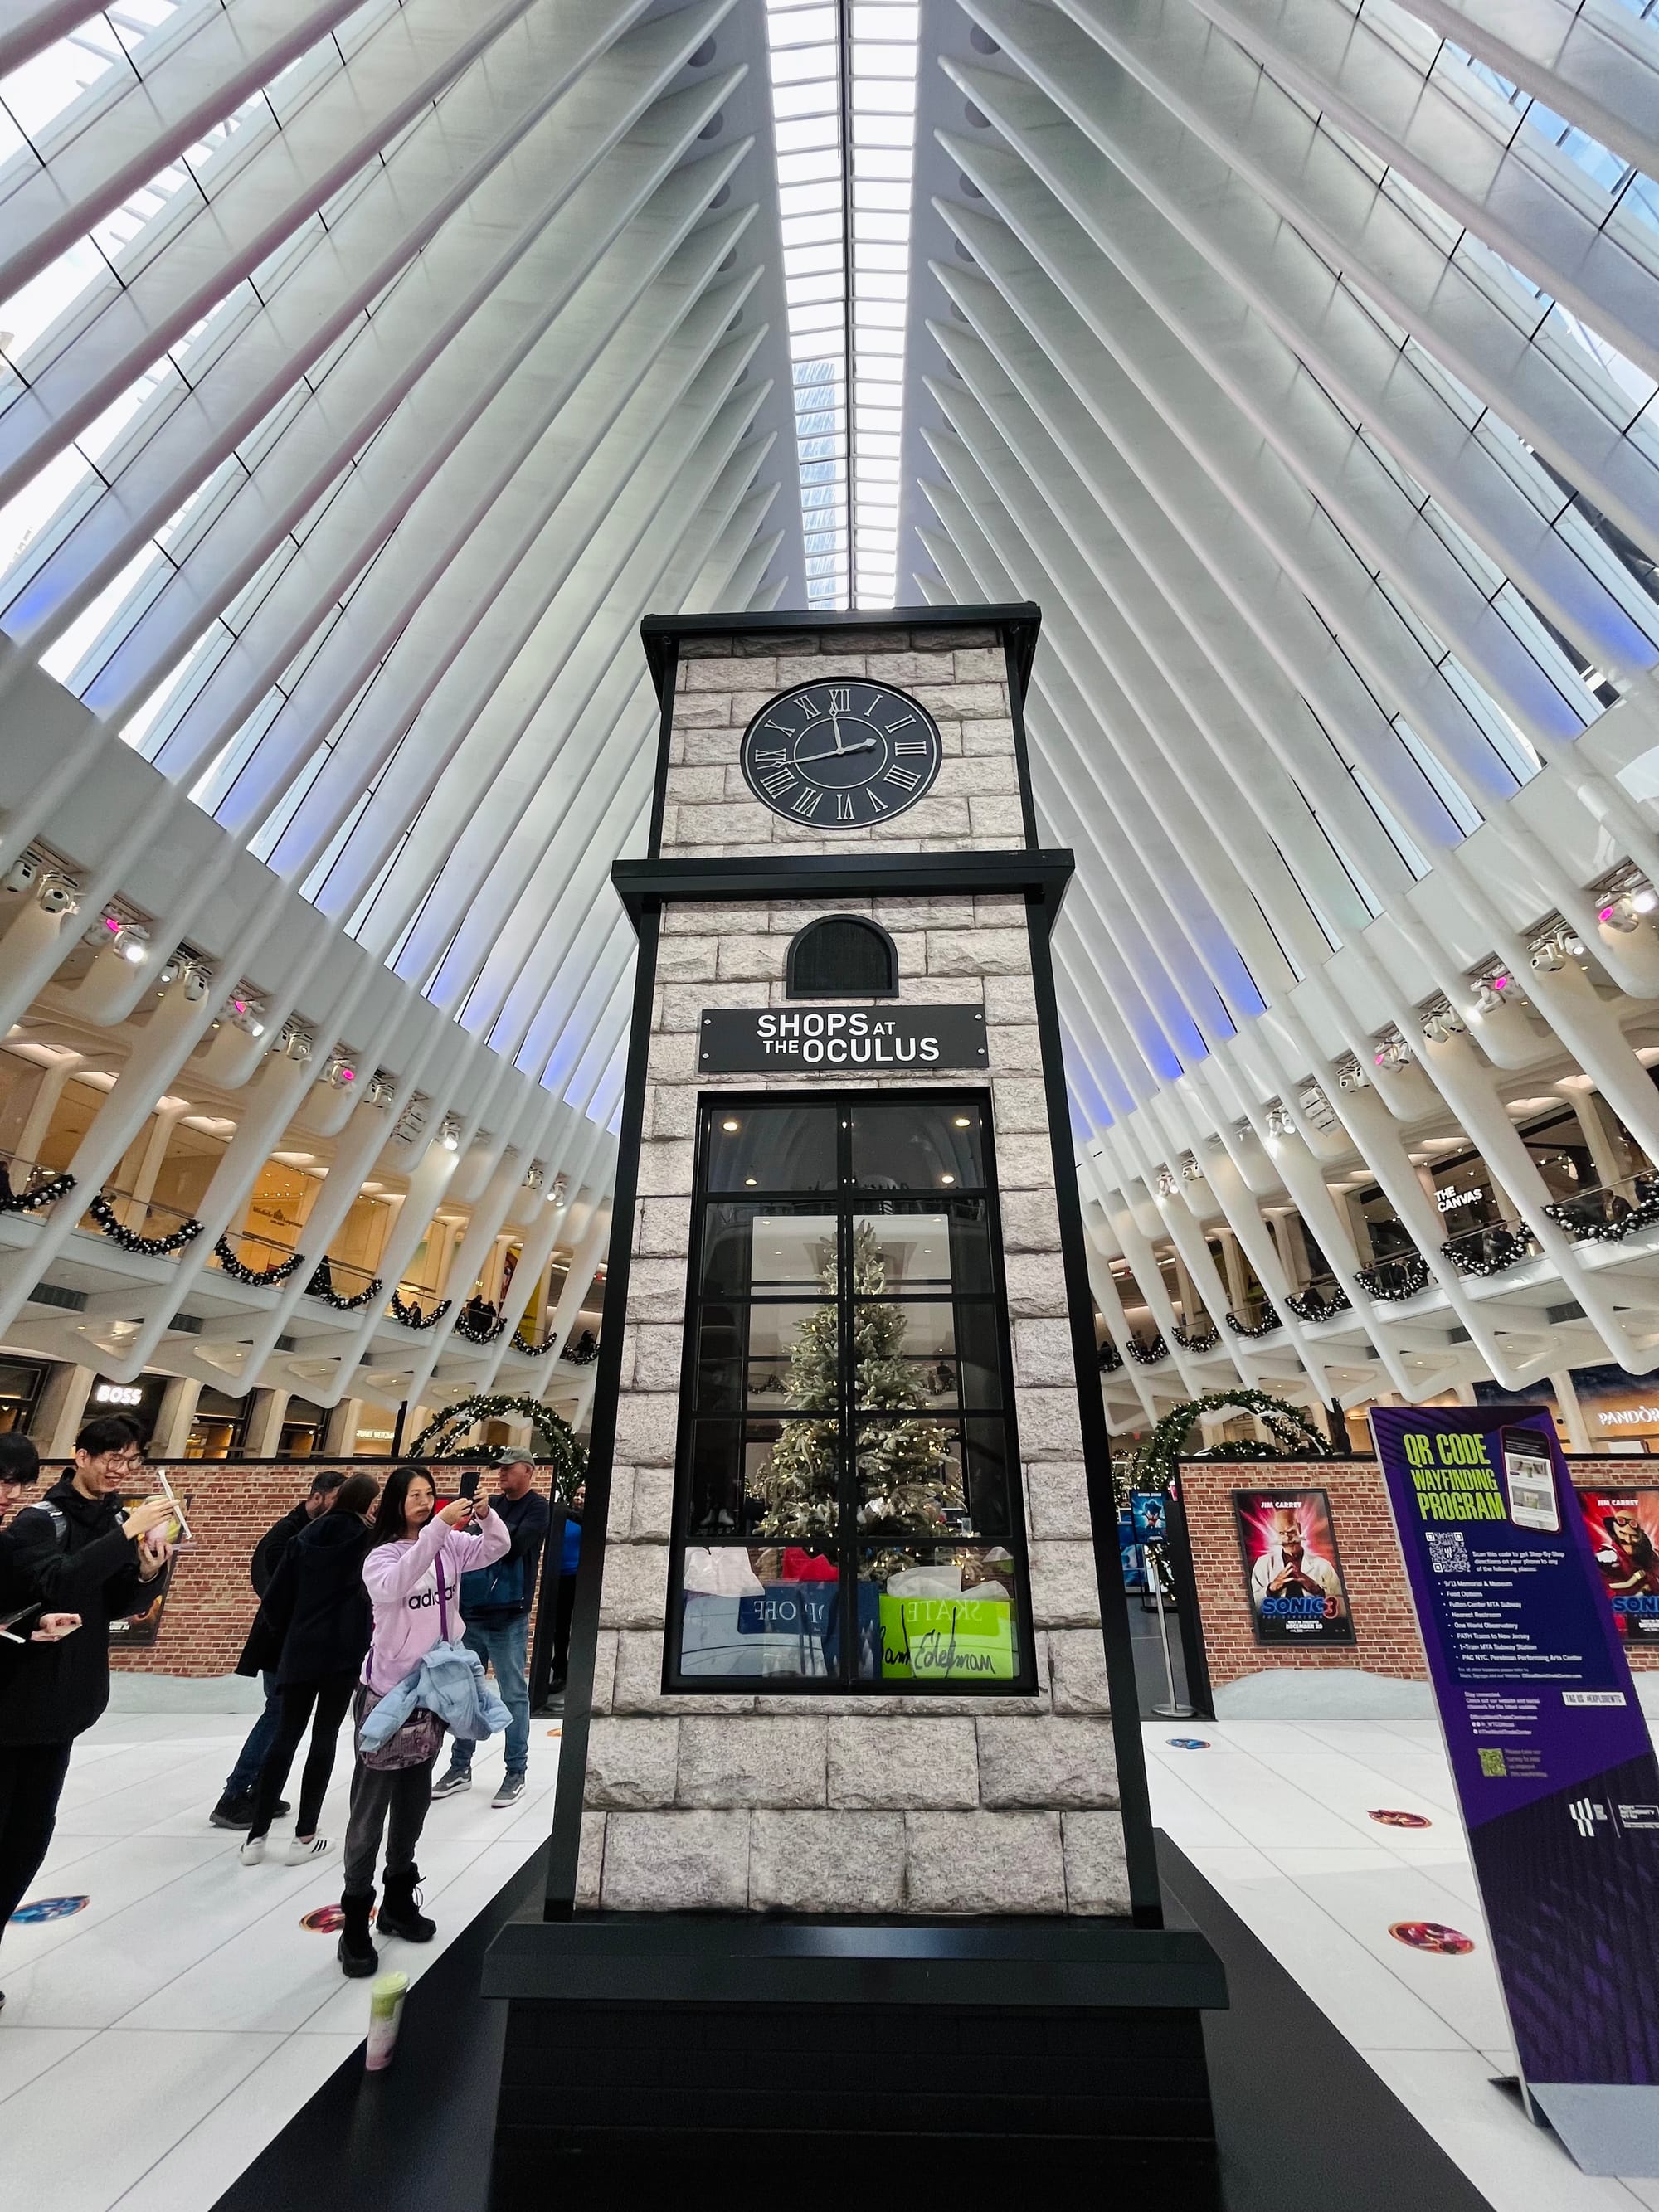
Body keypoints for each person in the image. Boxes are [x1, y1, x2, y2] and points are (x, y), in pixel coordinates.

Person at [0, 1417, 173, 2012]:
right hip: (13, 1707)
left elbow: (114, 1602)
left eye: (131, 1460)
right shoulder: (39, 1520)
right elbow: (62, 1580)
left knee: (27, 1841)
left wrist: (147, 1568)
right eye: (111, 1458)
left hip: (64, 1706)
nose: (120, 1470)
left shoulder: (116, 1519)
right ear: (80, 1455)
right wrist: (126, 1533)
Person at [336, 1466, 509, 1978]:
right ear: (394, 1502)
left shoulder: (449, 1546)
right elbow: (393, 1588)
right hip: (387, 1695)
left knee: (413, 1801)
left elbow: (496, 1547)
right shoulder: (382, 1556)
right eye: (413, 1495)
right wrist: (438, 1528)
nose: (423, 1501)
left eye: (428, 1494)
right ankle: (354, 1920)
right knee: (369, 1810)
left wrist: (485, 1515)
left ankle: (397, 1899)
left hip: (433, 1690)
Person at [237, 1472, 380, 1868]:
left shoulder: (304, 1537)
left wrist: (293, 1632)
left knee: (284, 1738)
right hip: (343, 1653)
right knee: (324, 1738)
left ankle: (256, 1837)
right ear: (365, 1502)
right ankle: (304, 1835)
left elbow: (275, 1599)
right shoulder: (368, 1542)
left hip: (299, 1651)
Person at [211, 1469, 348, 1828]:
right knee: (278, 1714)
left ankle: (261, 1791)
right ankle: (234, 1796)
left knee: (283, 1717)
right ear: (317, 1497)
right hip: (281, 1645)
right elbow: (271, 1588)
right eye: (336, 1499)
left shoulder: (314, 1531)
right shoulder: (285, 1536)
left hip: (296, 1643)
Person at [432, 1449, 549, 1808]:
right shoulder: (492, 1504)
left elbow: (510, 1548)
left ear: (528, 1471)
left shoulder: (537, 1508)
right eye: (499, 1469)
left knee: (513, 1694)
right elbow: (465, 1544)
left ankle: (516, 1770)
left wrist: (487, 1520)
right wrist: (481, 1517)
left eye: (509, 1469)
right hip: (472, 1612)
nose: (501, 1474)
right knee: (466, 1692)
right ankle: (460, 1766)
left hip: (508, 1616)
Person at [548, 1480, 584, 1694]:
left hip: (579, 1578)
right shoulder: (563, 1518)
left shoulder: (583, 1519)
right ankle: (560, 1671)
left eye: (583, 1496)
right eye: (577, 1494)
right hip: (559, 1577)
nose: (579, 1498)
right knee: (560, 1628)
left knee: (578, 1626)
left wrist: (566, 1512)